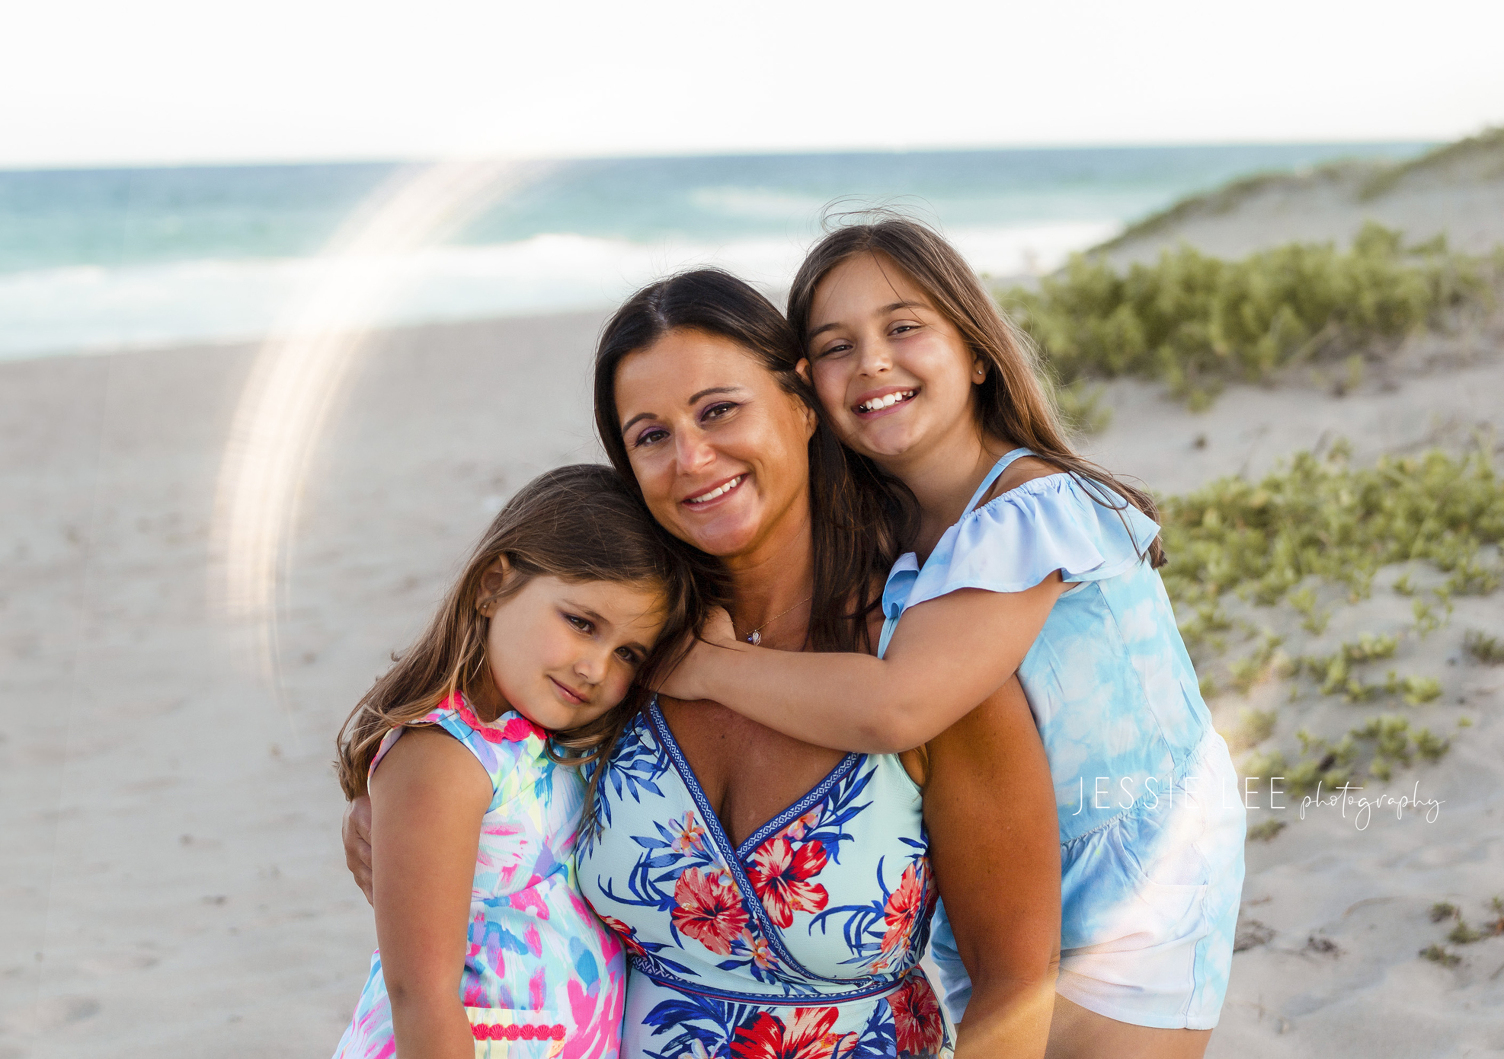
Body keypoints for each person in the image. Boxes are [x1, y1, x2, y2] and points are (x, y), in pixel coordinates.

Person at [344, 271, 1062, 1058]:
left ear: (800, 400)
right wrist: (374, 800)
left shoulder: (923, 662)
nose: (690, 457)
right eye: (650, 435)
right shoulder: (618, 666)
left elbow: (1017, 985)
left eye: (719, 410)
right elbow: (474, 767)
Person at [660, 219, 1248, 1059]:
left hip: (1141, 869)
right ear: (808, 388)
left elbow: (900, 706)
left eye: (904, 328)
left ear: (974, 351)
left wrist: (710, 664)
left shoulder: (1030, 507)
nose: (872, 362)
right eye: (836, 346)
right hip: (1008, 866)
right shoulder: (897, 534)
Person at [331, 464, 708, 1059]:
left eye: (628, 653)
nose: (595, 668)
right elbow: (419, 993)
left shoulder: (554, 743)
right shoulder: (445, 759)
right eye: (582, 623)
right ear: (492, 585)